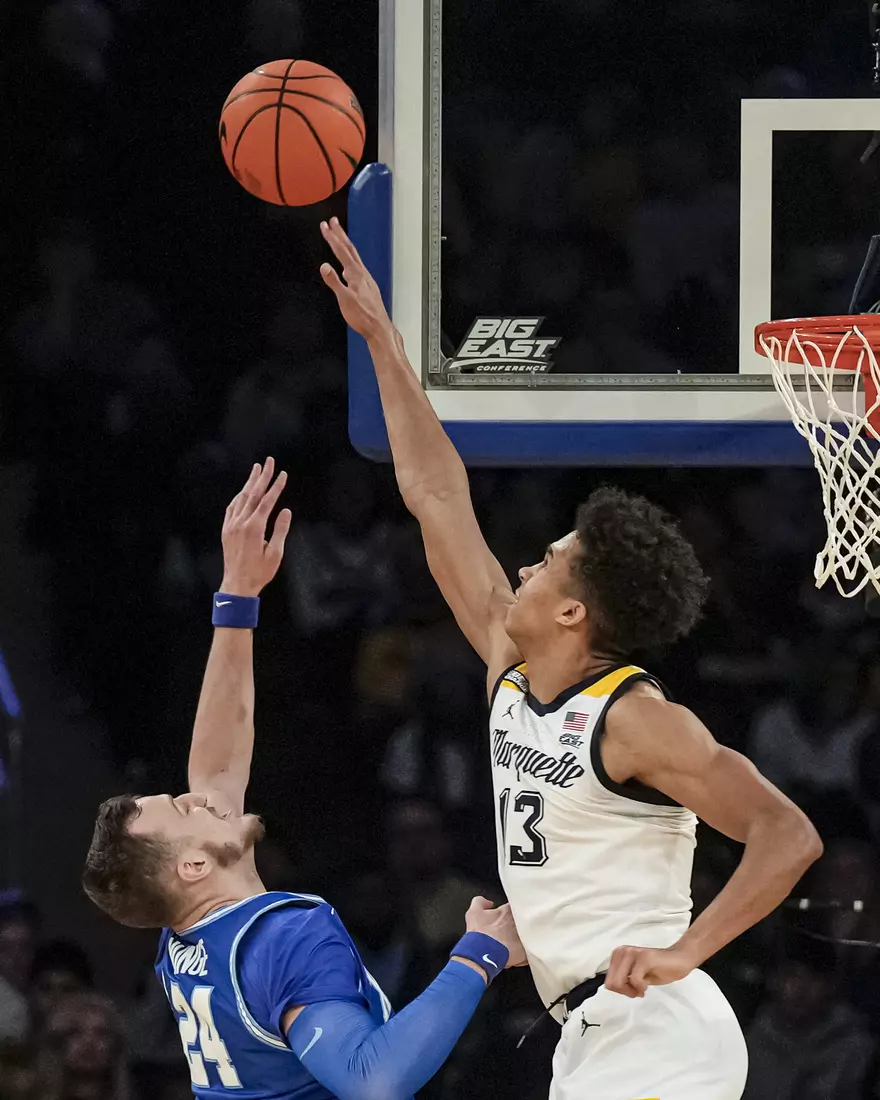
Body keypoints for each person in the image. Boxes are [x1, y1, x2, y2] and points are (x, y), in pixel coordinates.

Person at [319, 217, 824, 1100]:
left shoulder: (635, 718)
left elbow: (790, 834)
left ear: (573, 610)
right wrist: (385, 345)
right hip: (589, 1033)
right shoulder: (508, 676)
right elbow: (436, 494)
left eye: (546, 559)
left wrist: (686, 950)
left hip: (656, 1031)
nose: (522, 565)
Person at [81, 458, 525, 1100]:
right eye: (183, 808)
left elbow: (218, 759)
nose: (198, 794)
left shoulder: (188, 938)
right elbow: (375, 1082)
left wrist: (238, 597)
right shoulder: (280, 937)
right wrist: (476, 957)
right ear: (194, 868)